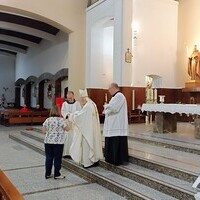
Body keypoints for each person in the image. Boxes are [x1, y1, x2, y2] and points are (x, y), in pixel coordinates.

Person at [68, 89, 103, 168]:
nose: (80, 102)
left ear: (83, 98)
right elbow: (83, 115)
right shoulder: (92, 104)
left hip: (87, 131)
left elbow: (80, 118)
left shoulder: (87, 106)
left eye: (80, 100)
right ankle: (94, 160)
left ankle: (88, 162)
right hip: (91, 129)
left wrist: (71, 116)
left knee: (87, 145)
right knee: (93, 144)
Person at [103, 83, 129, 165]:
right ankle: (110, 158)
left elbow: (114, 108)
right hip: (113, 123)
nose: (109, 91)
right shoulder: (115, 97)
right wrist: (107, 107)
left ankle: (117, 159)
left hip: (117, 124)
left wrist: (106, 106)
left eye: (109, 89)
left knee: (116, 140)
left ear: (113, 88)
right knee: (111, 140)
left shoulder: (119, 96)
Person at [42, 105, 70, 179]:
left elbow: (43, 131)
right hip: (58, 143)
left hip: (48, 141)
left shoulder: (47, 120)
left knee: (49, 158)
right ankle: (57, 174)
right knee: (57, 158)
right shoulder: (61, 120)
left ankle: (48, 174)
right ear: (59, 111)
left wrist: (50, 132)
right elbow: (68, 129)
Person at [61, 91, 81, 157]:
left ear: (73, 96)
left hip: (74, 123)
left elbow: (79, 111)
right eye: (68, 97)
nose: (69, 99)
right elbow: (63, 111)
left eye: (71, 97)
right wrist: (67, 115)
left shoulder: (77, 103)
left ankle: (73, 154)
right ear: (66, 97)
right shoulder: (64, 104)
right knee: (67, 138)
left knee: (74, 138)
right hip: (67, 123)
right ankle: (66, 153)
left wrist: (74, 116)